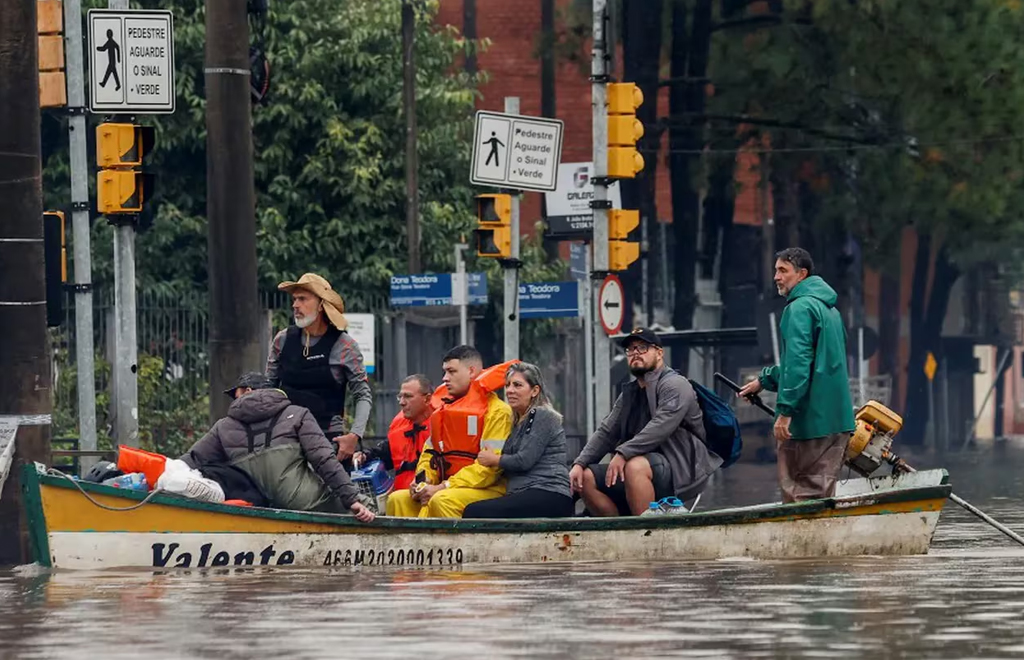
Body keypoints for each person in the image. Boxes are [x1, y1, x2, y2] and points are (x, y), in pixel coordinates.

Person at [737, 247, 855, 503]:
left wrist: (785, 412)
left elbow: (799, 364)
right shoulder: (830, 310)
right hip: (837, 421)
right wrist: (764, 380)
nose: (777, 277)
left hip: (810, 421)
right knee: (821, 497)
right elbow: (815, 362)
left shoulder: (799, 308)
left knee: (799, 498)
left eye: (783, 270)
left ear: (802, 274)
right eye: (775, 271)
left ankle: (803, 543)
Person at [179, 372, 375, 522]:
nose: (234, 399)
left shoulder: (223, 427)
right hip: (303, 502)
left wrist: (160, 477)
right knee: (367, 506)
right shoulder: (297, 414)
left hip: (254, 505)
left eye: (235, 393)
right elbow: (324, 460)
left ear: (248, 391)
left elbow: (192, 460)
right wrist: (352, 500)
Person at [569, 328, 722, 516]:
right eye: (631, 350)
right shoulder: (630, 393)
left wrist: (623, 453)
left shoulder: (675, 384)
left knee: (634, 466)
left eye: (642, 348)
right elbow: (607, 432)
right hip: (641, 463)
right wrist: (579, 463)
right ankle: (618, 532)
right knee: (585, 478)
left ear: (659, 353)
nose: (635, 353)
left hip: (680, 466)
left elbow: (662, 425)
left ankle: (647, 533)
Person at [386, 346, 515, 518]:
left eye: (451, 371)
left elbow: (488, 472)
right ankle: (411, 545)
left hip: (488, 489)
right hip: (447, 488)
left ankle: (451, 545)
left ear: (471, 371)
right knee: (397, 499)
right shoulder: (444, 412)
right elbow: (429, 454)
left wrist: (442, 487)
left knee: (442, 500)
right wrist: (422, 482)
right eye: (444, 372)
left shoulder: (498, 412)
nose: (444, 378)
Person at [267, 273, 372, 467]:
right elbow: (268, 389)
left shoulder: (345, 346)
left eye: (303, 299)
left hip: (328, 439)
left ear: (322, 305)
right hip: (284, 438)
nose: (295, 305)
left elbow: (363, 394)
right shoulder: (282, 340)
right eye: (294, 299)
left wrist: (354, 436)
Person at [463, 363, 573, 519]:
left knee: (474, 512)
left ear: (535, 391)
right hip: (523, 492)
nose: (510, 390)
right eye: (507, 385)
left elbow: (524, 460)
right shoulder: (517, 421)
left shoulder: (543, 415)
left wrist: (494, 459)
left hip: (548, 493)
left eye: (517, 385)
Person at [355, 374, 436, 491]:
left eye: (408, 396)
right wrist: (365, 455)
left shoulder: (442, 427)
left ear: (427, 399)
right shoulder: (399, 428)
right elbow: (384, 454)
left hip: (430, 496)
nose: (402, 402)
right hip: (400, 499)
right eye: (400, 397)